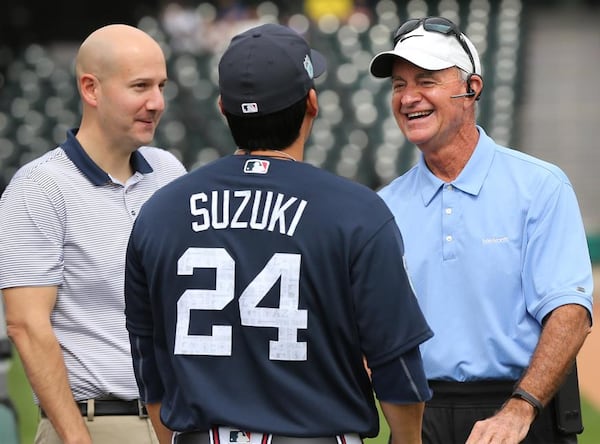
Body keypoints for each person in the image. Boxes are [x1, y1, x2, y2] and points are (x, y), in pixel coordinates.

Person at [124, 23, 433, 444]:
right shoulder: (357, 212)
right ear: (312, 103)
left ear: (222, 107)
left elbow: (149, 364)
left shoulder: (158, 213)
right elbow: (396, 366)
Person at [369, 16, 594, 444]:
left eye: (425, 81)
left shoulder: (540, 186)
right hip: (419, 418)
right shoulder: (383, 207)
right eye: (398, 85)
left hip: (520, 412)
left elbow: (571, 313)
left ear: (471, 88)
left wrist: (520, 408)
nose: (408, 97)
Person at [0, 24, 187, 444]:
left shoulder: (169, 172)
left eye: (161, 86)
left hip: (180, 420)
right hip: (100, 424)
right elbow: (26, 326)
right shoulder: (39, 187)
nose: (156, 102)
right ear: (91, 89)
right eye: (140, 86)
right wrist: (76, 437)